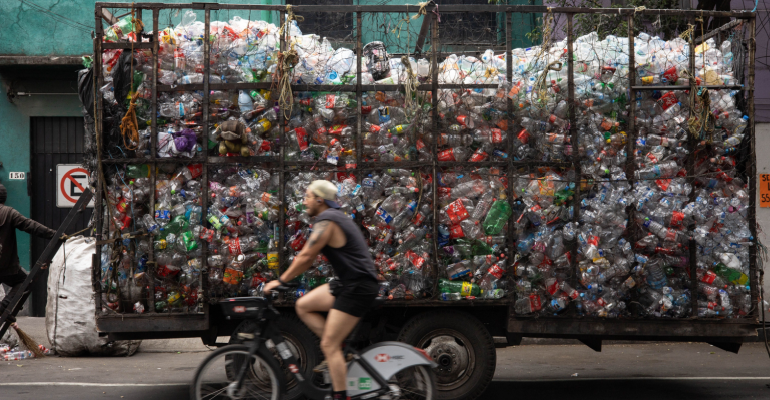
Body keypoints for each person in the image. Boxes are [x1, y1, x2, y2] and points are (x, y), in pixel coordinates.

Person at [263, 180, 378, 400]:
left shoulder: (328, 221)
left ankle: (340, 392)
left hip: (358, 286)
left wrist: (280, 281)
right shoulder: (332, 218)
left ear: (319, 199)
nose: (304, 201)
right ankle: (339, 349)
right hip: (347, 282)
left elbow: (306, 256)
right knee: (303, 305)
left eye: (307, 196)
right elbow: (307, 259)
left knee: (328, 344)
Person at [0, 184, 57, 317]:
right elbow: (31, 226)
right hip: (6, 267)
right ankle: (4, 305)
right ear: (5, 198)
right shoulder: (9, 213)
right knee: (24, 281)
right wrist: (54, 234)